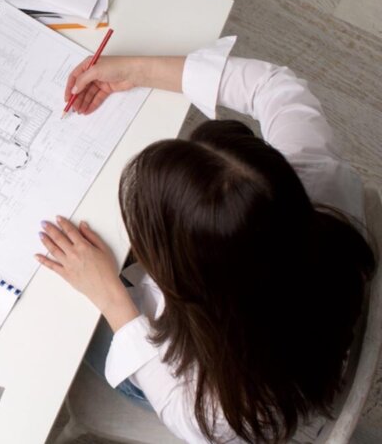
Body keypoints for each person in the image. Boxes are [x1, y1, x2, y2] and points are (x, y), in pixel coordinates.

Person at [36, 37, 375, 443]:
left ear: (182, 274)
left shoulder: (217, 409)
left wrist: (109, 294)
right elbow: (275, 86)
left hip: (218, 374)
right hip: (298, 336)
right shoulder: (318, 176)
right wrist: (136, 69)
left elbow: (170, 398)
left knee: (64, 319)